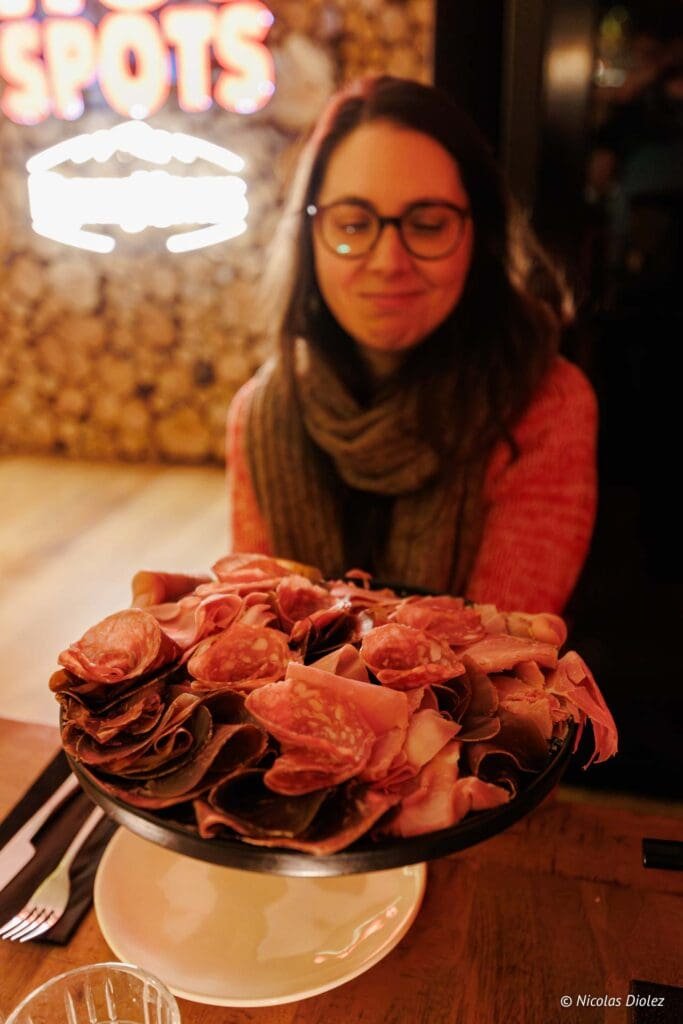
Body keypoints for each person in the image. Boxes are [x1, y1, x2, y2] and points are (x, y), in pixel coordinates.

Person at [227, 76, 597, 614]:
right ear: (310, 238)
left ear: (480, 236)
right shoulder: (261, 415)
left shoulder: (547, 405)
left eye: (426, 226)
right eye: (353, 224)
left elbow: (501, 659)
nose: (388, 262)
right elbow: (255, 638)